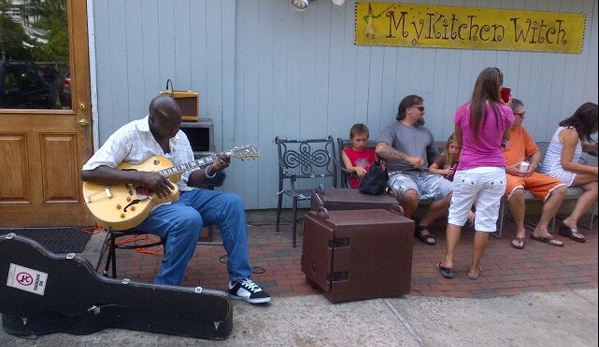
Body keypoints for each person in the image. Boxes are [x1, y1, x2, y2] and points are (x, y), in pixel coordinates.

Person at [81, 94, 271, 304]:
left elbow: (190, 178)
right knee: (189, 219)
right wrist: (142, 176)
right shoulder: (129, 134)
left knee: (232, 203)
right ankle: (165, 290)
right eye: (169, 125)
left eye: (178, 124)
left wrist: (211, 169)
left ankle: (239, 280)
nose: (175, 130)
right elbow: (89, 172)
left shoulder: (179, 137)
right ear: (152, 119)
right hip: (143, 206)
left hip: (182, 194)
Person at [437, 67, 514, 280]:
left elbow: (460, 141)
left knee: (456, 216)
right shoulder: (505, 111)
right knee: (485, 222)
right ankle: (473, 268)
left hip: (468, 170)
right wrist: (505, 108)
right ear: (498, 86)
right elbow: (505, 139)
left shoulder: (463, 110)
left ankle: (449, 261)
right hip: (494, 172)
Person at [376, 95, 453, 246]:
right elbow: (381, 148)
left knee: (452, 190)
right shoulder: (393, 129)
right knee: (410, 195)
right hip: (400, 174)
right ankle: (405, 227)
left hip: (424, 175)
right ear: (408, 110)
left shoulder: (425, 132)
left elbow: (435, 157)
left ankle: (422, 225)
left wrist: (447, 163)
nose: (424, 112)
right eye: (421, 108)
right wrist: (408, 159)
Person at [503, 99, 567, 249]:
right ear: (510, 114)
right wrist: (508, 168)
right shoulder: (496, 131)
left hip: (525, 173)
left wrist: (533, 164)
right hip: (505, 173)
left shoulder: (521, 130)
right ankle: (520, 231)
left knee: (561, 188)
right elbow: (487, 159)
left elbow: (535, 151)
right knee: (517, 191)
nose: (524, 117)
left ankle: (541, 229)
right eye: (522, 114)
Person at [541, 102, 598, 243]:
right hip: (554, 173)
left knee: (595, 187)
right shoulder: (571, 134)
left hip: (559, 170)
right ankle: (570, 222)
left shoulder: (572, 130)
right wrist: (594, 170)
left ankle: (571, 221)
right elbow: (567, 164)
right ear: (590, 122)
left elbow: (582, 147)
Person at [429, 133, 475, 225]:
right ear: (447, 147)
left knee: (474, 192)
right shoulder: (444, 158)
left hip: (462, 186)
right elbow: (430, 169)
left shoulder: (464, 160)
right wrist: (444, 172)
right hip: (446, 188)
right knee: (459, 193)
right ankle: (469, 213)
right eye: (452, 147)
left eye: (458, 148)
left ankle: (479, 217)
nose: (454, 150)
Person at [342, 123, 377, 189]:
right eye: (358, 140)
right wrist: (356, 168)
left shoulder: (371, 153)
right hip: (355, 182)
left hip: (370, 183)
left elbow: (375, 168)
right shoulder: (346, 152)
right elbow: (348, 167)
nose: (361, 143)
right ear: (351, 139)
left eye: (364, 140)